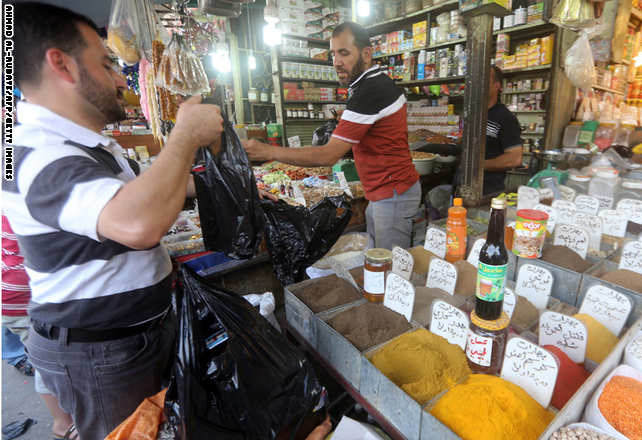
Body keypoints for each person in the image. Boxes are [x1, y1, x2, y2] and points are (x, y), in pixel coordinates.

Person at [5, 4, 224, 439]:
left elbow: (156, 190)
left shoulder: (89, 145)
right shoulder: (38, 153)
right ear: (61, 64)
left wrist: (234, 175)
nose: (123, 77)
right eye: (107, 64)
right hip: (102, 354)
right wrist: (183, 135)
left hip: (131, 340)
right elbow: (140, 223)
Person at [244, 21, 421, 250]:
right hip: (384, 193)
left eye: (344, 53)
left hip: (394, 194)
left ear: (366, 54)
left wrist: (267, 151)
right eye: (334, 54)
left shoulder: (370, 90)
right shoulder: (368, 84)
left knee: (390, 271)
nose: (337, 62)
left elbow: (329, 156)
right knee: (378, 264)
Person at [3, 215, 79, 440]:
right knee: (46, 361)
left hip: (16, 294)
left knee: (43, 355)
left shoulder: (9, 186)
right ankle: (62, 422)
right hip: (23, 300)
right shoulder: (21, 194)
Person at [481, 66, 525, 195]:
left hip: (487, 192)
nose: (479, 84)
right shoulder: (475, 114)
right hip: (461, 186)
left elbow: (514, 158)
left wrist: (477, 166)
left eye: (485, 80)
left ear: (497, 86)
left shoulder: (505, 118)